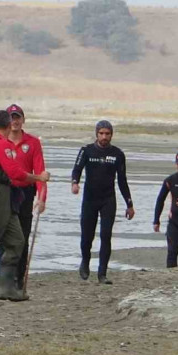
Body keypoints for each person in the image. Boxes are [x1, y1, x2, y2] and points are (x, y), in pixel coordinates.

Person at [0, 110, 50, 304]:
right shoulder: (1, 144)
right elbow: (15, 172)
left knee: (16, 240)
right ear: (6, 125)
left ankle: (6, 287)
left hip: (5, 194)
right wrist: (38, 178)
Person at [71, 121, 135, 284]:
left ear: (111, 135)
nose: (104, 137)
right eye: (101, 133)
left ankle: (102, 273)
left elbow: (122, 181)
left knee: (106, 235)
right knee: (87, 236)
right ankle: (85, 262)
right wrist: (75, 182)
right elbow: (77, 168)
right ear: (96, 134)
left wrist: (129, 204)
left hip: (108, 199)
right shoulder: (86, 150)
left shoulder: (118, 154)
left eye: (107, 134)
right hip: (90, 199)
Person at [4, 104, 47, 292]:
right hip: (4, 192)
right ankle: (5, 278)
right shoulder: (0, 141)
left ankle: (18, 278)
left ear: (23, 119)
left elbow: (39, 171)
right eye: (11, 117)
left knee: (22, 237)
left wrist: (42, 197)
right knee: (3, 236)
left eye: (17, 117)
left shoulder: (33, 143)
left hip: (25, 194)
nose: (14, 121)